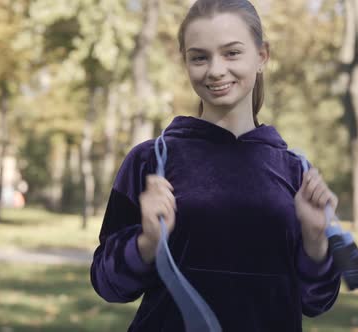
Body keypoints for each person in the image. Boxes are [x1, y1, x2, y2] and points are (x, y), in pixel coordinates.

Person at [90, 0, 341, 330]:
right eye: (199, 57)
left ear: (262, 56)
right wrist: (146, 243)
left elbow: (317, 300)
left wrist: (316, 240)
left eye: (232, 53)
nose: (215, 70)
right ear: (186, 62)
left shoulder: (296, 171)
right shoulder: (150, 161)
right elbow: (108, 285)